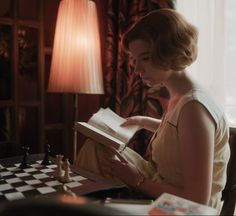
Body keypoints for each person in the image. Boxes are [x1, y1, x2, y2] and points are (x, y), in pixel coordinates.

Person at [76, 8, 230, 213]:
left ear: (170, 52)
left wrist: (137, 180)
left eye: (145, 58)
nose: (137, 69)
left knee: (95, 162)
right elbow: (184, 136)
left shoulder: (194, 108)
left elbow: (197, 200)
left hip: (186, 210)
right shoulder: (182, 97)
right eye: (135, 60)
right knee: (96, 149)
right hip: (162, 180)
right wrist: (144, 122)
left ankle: (83, 209)